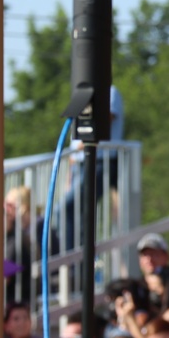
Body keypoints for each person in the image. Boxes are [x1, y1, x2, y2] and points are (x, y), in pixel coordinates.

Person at [60, 84, 125, 250]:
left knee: (67, 209)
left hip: (99, 161)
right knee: (77, 213)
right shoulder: (80, 93)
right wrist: (70, 170)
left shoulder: (109, 91)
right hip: (79, 163)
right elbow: (75, 140)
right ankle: (76, 260)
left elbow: (107, 118)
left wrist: (87, 141)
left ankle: (73, 262)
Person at [136, 233, 169, 316]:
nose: (149, 259)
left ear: (166, 256)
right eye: (145, 255)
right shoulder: (138, 285)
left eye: (154, 254)